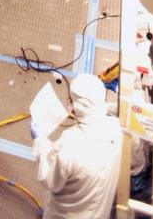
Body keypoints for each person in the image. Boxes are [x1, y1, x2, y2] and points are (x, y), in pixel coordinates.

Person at [32, 72, 122, 219]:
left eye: (72, 100)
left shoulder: (69, 144)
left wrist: (39, 140)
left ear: (75, 106)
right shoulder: (116, 129)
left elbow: (49, 179)